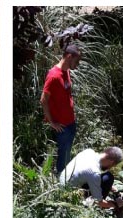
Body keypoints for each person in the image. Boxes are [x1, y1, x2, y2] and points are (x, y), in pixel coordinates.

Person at [41, 43, 81, 175]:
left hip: (71, 123)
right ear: (69, 57)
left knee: (67, 153)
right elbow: (43, 100)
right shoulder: (53, 76)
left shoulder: (66, 71)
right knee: (63, 156)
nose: (78, 64)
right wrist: (52, 122)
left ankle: (66, 178)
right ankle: (61, 182)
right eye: (77, 60)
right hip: (62, 126)